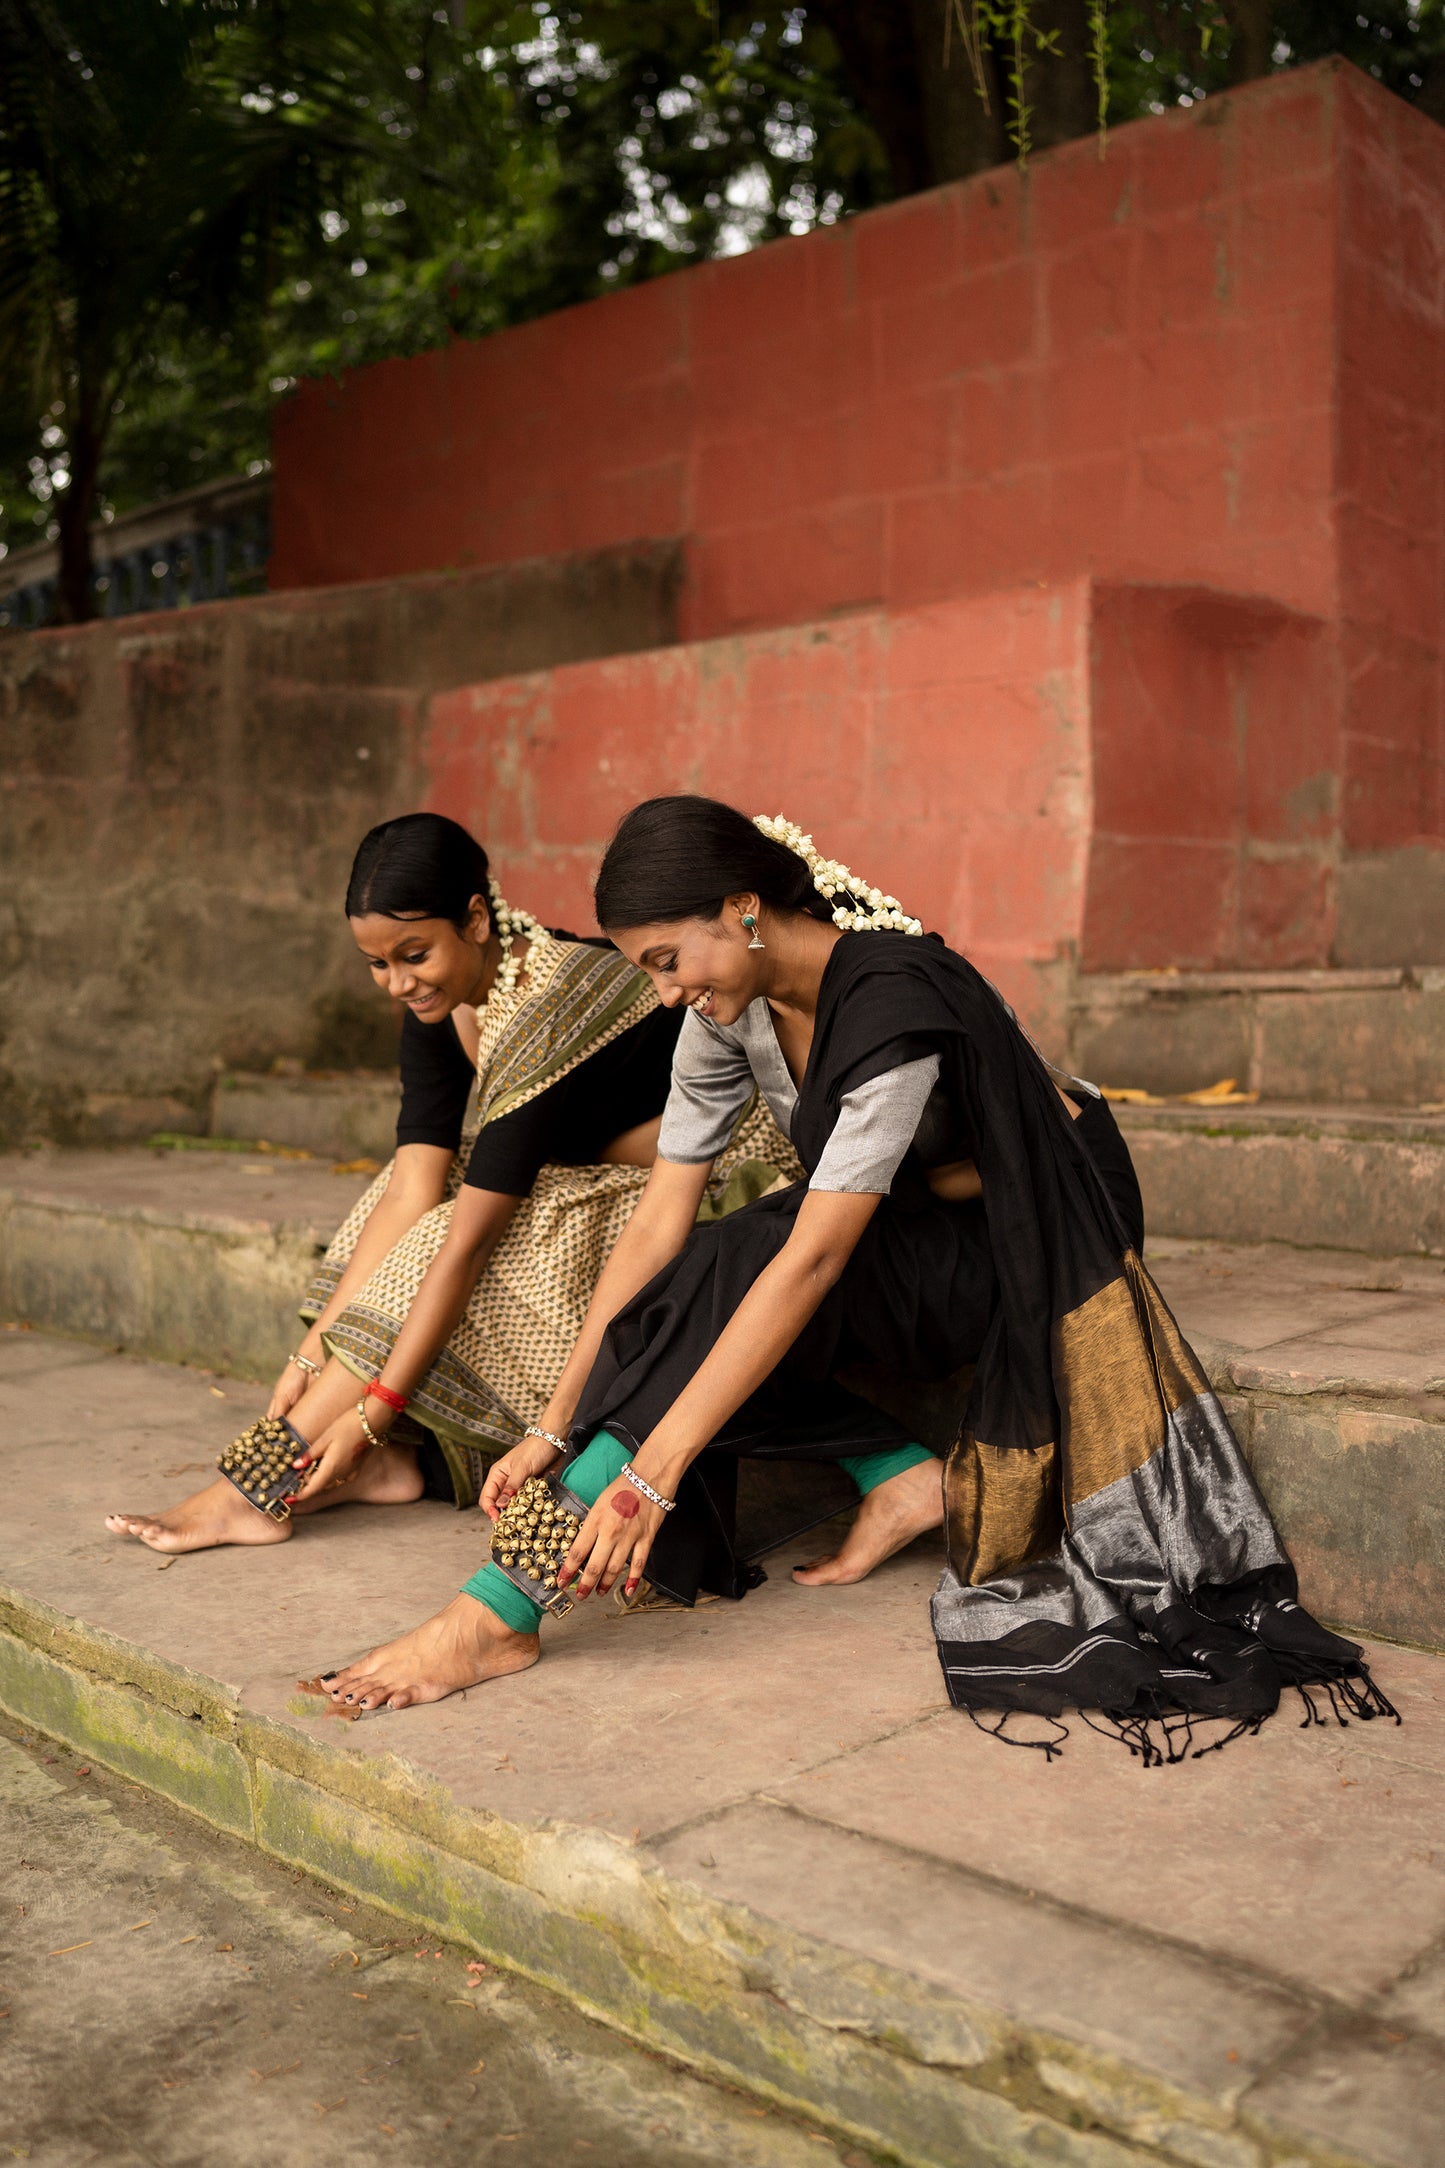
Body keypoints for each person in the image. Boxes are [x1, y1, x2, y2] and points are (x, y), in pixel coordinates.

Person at [318, 799, 1394, 1756]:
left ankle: (502, 1605)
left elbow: (818, 1254)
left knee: (746, 1269)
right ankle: (874, 1473)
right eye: (645, 966)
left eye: (662, 958)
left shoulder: (885, 999)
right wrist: (556, 1423)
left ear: (741, 909)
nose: (663, 989)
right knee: (699, 1271)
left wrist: (652, 1469)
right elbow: (655, 1226)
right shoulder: (721, 1013)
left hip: (1030, 1229)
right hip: (913, 1210)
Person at [106, 811, 796, 1556]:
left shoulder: (544, 1001)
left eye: (413, 954)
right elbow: (412, 1184)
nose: (398, 982)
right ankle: (378, 1457)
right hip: (601, 1174)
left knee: (450, 1233)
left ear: (474, 919)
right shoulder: (440, 1005)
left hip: (724, 1179)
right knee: (417, 1192)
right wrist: (306, 1357)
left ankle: (263, 1478)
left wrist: (374, 1406)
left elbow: (464, 1243)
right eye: (377, 964)